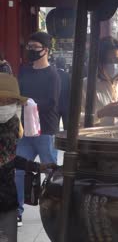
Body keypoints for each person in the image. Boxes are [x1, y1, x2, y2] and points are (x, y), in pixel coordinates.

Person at [0, 73, 56, 239]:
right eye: (0, 101)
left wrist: (37, 166)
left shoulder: (13, 124)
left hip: (7, 198)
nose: (4, 105)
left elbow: (9, 158)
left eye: (9, 101)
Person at [16, 32, 60, 226]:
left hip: (45, 131)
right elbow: (18, 94)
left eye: (36, 47)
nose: (31, 50)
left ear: (46, 50)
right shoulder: (24, 71)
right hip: (24, 131)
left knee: (50, 171)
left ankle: (56, 207)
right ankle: (16, 210)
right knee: (18, 169)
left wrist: (31, 103)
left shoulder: (53, 74)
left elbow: (52, 102)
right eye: (29, 47)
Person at [55, 57, 71, 128]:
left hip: (55, 105)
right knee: (67, 128)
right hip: (66, 105)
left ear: (56, 64)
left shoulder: (53, 75)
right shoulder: (68, 76)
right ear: (64, 65)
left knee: (55, 129)